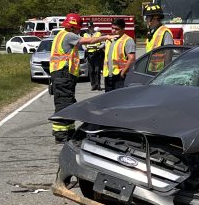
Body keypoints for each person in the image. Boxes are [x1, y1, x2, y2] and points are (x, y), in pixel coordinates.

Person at [49, 13, 113, 143]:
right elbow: (88, 41)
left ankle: (69, 130)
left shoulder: (60, 34)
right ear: (73, 27)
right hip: (63, 73)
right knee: (64, 103)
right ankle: (61, 135)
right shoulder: (69, 35)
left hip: (60, 74)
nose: (80, 30)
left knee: (68, 101)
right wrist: (105, 37)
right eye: (79, 27)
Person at [103, 18, 135, 92]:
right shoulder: (109, 39)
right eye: (112, 28)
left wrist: (123, 72)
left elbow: (132, 58)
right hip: (108, 74)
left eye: (116, 29)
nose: (113, 31)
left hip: (119, 75)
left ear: (123, 29)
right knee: (108, 99)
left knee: (119, 99)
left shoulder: (128, 40)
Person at [82, 20, 105, 90]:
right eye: (89, 27)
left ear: (93, 27)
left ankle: (98, 85)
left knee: (97, 70)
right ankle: (93, 85)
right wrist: (85, 48)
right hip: (89, 54)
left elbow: (103, 43)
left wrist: (99, 47)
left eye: (91, 27)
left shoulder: (98, 34)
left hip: (97, 53)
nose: (90, 28)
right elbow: (83, 44)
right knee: (91, 70)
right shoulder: (85, 35)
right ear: (87, 27)